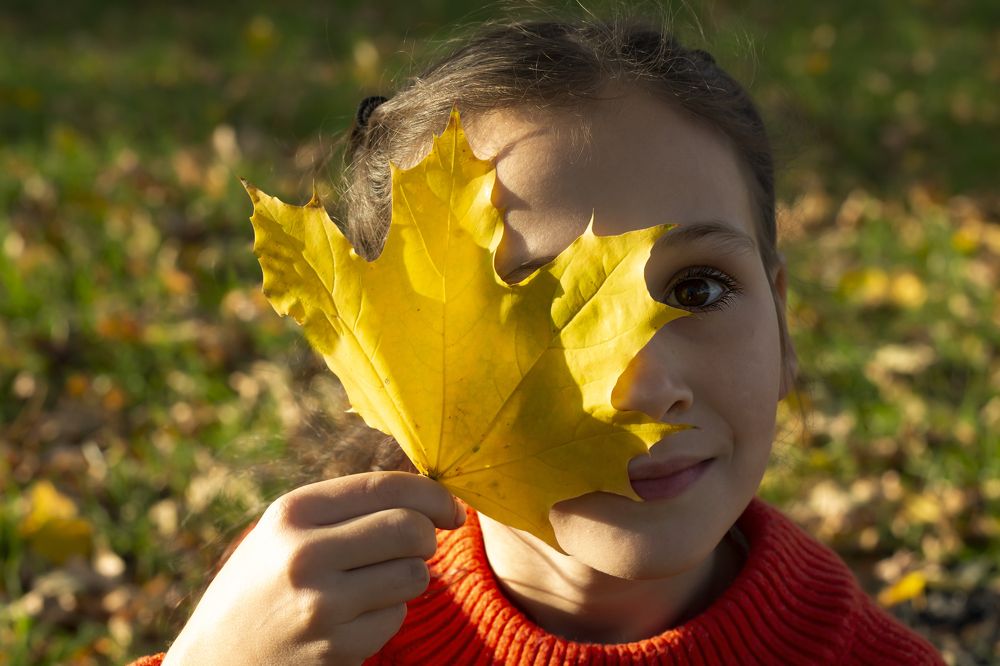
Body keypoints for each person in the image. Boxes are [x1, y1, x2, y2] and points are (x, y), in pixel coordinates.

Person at [131, 14, 944, 666]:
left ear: (781, 318)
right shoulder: (302, 623)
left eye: (698, 289)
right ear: (396, 366)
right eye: (546, 307)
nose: (645, 387)